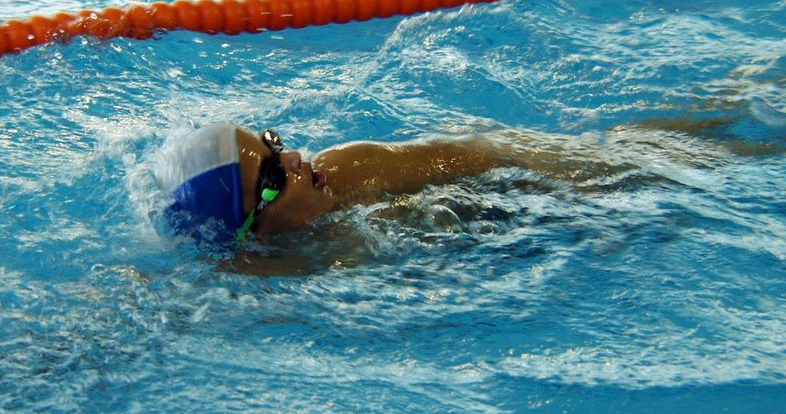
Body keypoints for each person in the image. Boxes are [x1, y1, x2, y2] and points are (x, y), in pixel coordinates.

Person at [157, 122, 630, 244]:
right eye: (274, 174)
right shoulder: (259, 277)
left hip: (538, 200)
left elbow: (492, 152)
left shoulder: (350, 170)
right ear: (249, 231)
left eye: (273, 144)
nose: (296, 158)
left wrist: (587, 182)